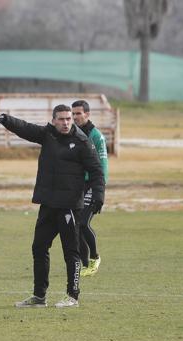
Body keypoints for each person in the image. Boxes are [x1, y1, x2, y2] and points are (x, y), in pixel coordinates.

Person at [0, 104, 105, 308]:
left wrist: (98, 197)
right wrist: (5, 119)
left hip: (69, 207)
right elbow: (26, 128)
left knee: (71, 252)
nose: (66, 122)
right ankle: (39, 297)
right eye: (62, 119)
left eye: (69, 119)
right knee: (39, 247)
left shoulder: (82, 142)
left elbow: (96, 171)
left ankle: (72, 296)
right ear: (54, 120)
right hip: (48, 204)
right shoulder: (47, 135)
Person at [71, 100, 109, 277]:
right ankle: (84, 263)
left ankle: (95, 258)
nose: (75, 117)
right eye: (74, 114)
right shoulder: (73, 134)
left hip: (93, 184)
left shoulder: (96, 136)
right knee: (76, 225)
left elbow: (102, 165)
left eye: (78, 113)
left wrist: (99, 191)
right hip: (78, 185)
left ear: (87, 114)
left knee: (84, 222)